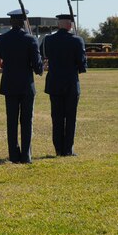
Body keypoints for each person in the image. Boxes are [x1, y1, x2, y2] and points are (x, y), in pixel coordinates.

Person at [0, 9, 43, 163]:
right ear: (24, 22)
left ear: (10, 22)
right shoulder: (30, 39)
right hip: (26, 84)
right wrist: (40, 66)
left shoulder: (2, 39)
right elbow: (37, 65)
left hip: (9, 83)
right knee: (27, 120)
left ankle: (14, 154)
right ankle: (26, 155)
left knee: (12, 120)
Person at [40, 14, 87, 156]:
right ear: (69, 25)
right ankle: (68, 149)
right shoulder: (77, 40)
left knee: (57, 117)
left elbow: (43, 55)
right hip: (71, 83)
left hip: (54, 82)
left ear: (59, 24)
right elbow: (82, 65)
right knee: (70, 117)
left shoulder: (48, 39)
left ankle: (58, 148)